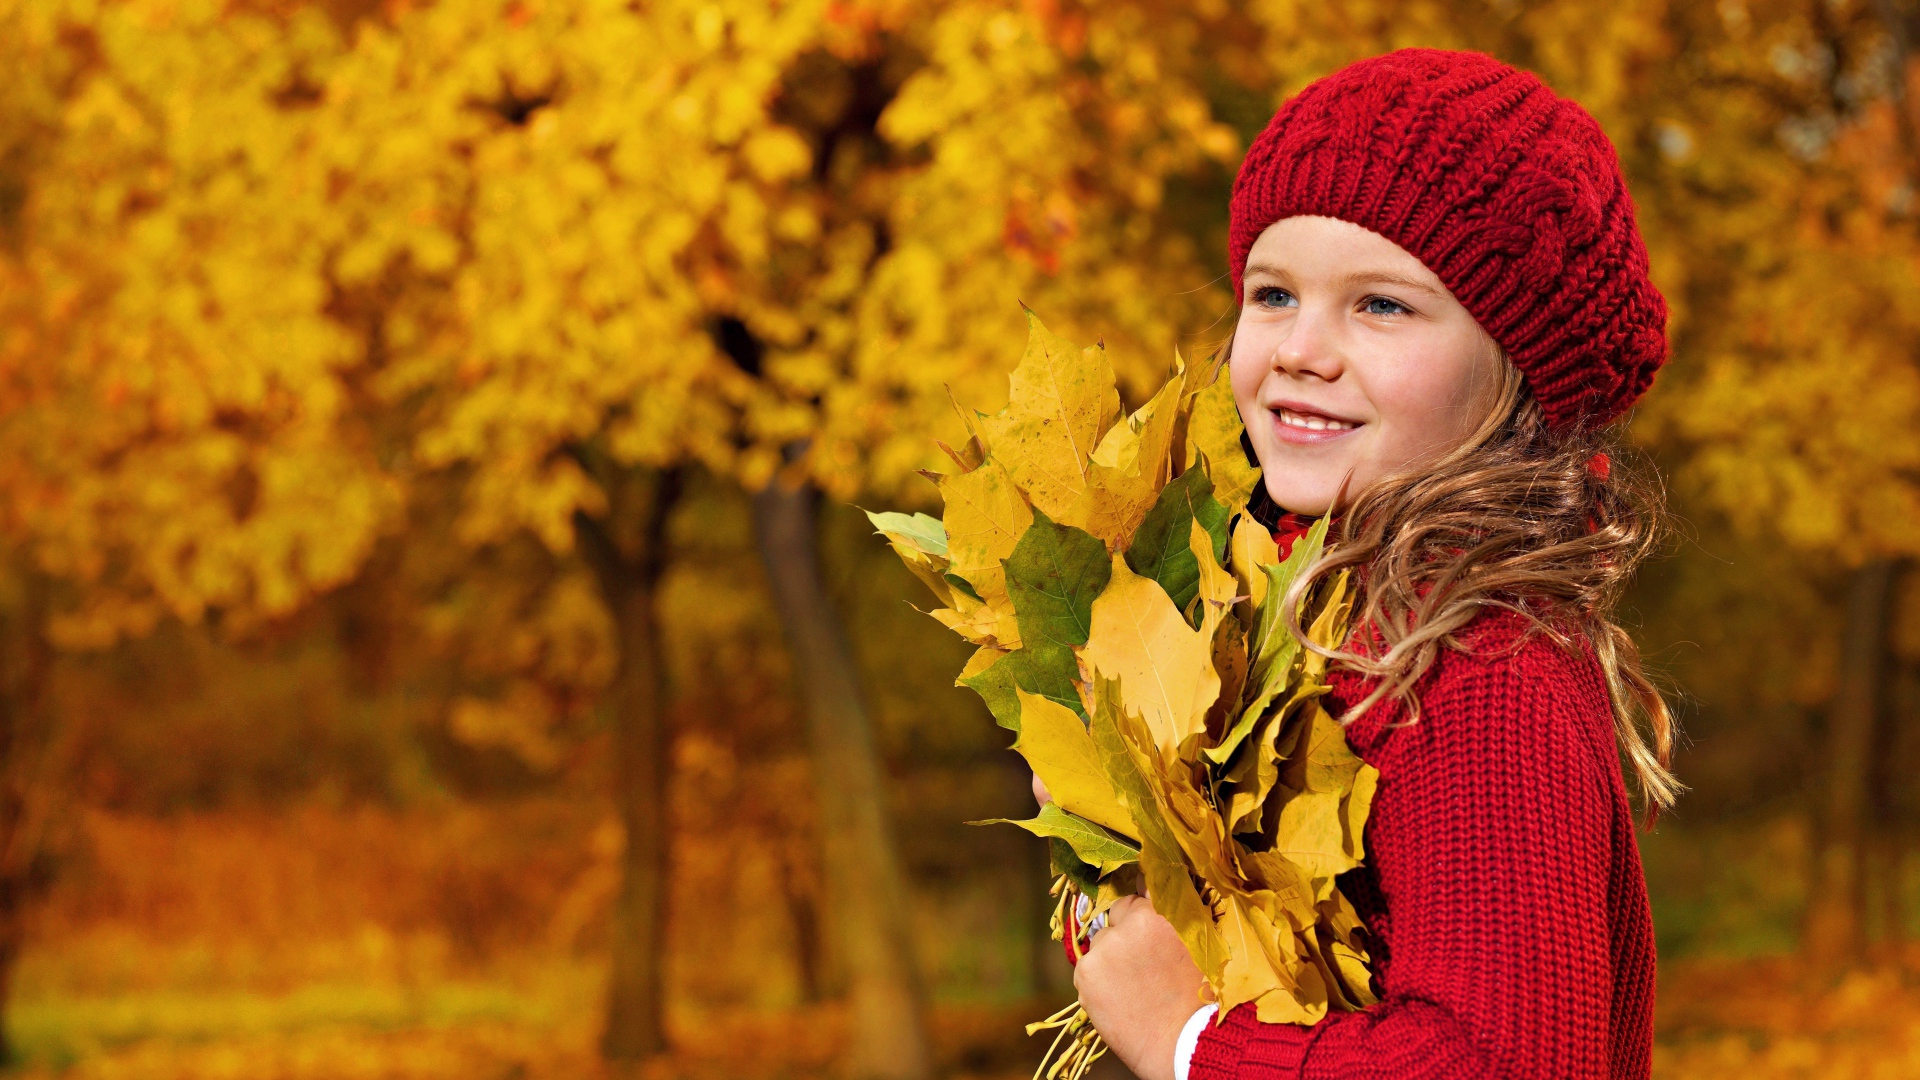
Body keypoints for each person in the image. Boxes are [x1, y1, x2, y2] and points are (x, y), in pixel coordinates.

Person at [1058, 49, 1682, 1080]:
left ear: (1518, 373)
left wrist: (1189, 1045)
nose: (1303, 347)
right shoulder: (1291, 612)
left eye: (1380, 306)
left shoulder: (1479, 668)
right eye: (1273, 294)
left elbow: (1504, 1061)